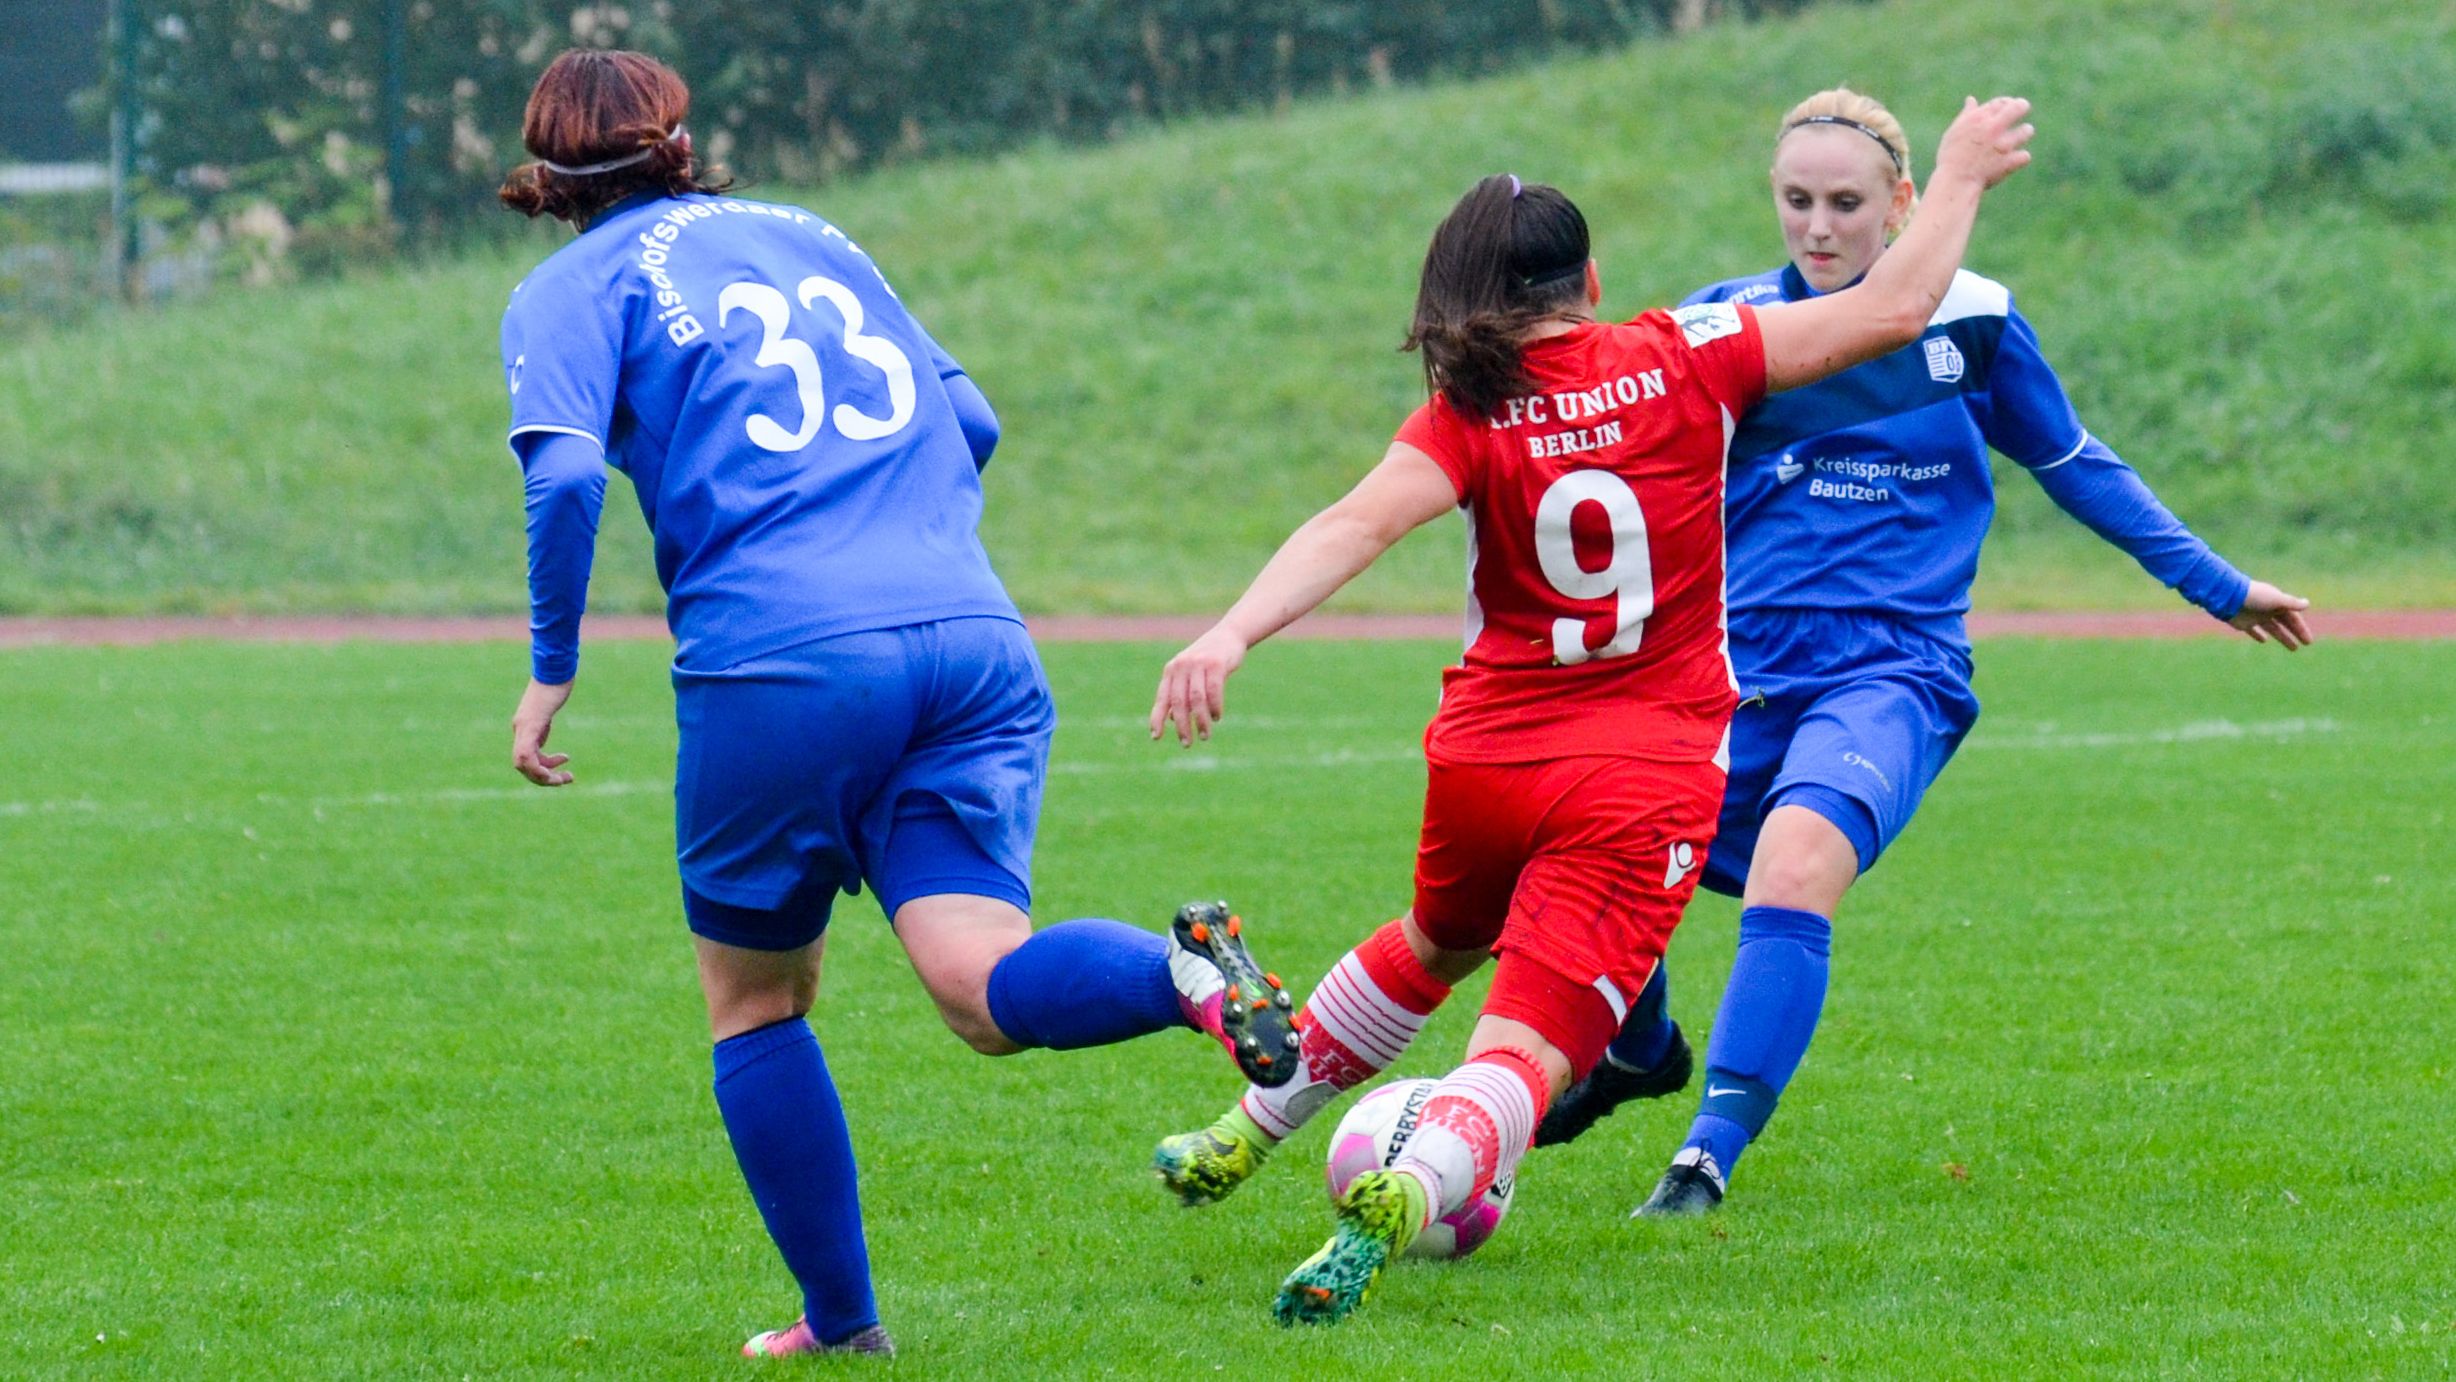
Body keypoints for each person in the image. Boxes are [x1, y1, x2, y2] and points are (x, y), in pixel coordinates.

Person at [1145, 96, 2039, 1324]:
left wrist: (1230, 629)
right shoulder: (1691, 351)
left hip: (1482, 756)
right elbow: (1893, 307)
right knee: (1529, 1044)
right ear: (1592, 277)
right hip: (1638, 769)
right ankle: (1418, 1183)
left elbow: (1355, 522)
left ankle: (1239, 1134)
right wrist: (1954, 176)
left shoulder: (1466, 405)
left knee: (1432, 943)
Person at [492, 49, 1299, 1360]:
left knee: (759, 1002)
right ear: (681, 142)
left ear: (547, 176)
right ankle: (1191, 972)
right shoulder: (810, 233)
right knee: (981, 990)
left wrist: (550, 662)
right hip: (971, 640)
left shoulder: (566, 288)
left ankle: (844, 1325)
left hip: (786, 661)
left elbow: (568, 481)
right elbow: (969, 417)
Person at [1533, 86, 2316, 1216]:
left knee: (1797, 866)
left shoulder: (1972, 322)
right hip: (1727, 671)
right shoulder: (1725, 322)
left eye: (1844, 203)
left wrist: (2216, 583)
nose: (1816, 226)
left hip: (1887, 671)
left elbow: (2076, 465)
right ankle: (1641, 1046)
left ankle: (1702, 1159)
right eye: (1795, 199)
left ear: (1901, 203)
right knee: (1589, 849)